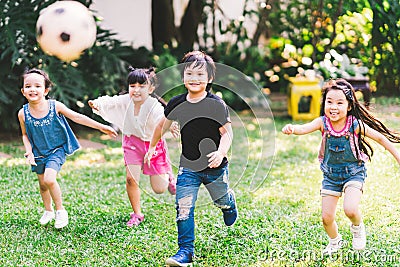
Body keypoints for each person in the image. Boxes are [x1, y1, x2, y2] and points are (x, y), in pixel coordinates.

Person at [282, 78, 400, 254]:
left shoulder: (354, 125)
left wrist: (398, 157)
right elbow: (304, 128)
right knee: (326, 218)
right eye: (329, 102)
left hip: (354, 173)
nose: (333, 107)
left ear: (349, 106)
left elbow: (381, 138)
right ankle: (335, 241)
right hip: (330, 176)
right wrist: (292, 128)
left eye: (339, 103)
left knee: (350, 209)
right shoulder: (322, 122)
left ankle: (357, 227)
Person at [144, 51, 238, 266]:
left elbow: (227, 133)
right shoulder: (177, 103)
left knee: (220, 199)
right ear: (183, 76)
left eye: (200, 74)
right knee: (183, 207)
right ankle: (185, 251)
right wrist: (151, 147)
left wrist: (221, 152)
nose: (194, 78)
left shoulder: (216, 104)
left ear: (210, 78)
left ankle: (228, 203)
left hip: (215, 167)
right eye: (189, 73)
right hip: (188, 167)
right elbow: (162, 126)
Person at [18, 68, 118, 229]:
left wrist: (101, 127)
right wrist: (29, 151)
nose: (33, 89)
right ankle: (48, 211)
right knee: (43, 184)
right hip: (38, 152)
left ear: (46, 90)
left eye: (37, 86)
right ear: (23, 91)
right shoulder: (23, 114)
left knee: (49, 179)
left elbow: (77, 117)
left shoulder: (54, 106)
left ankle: (60, 210)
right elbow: (24, 134)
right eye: (28, 86)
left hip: (56, 149)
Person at [88, 67, 177, 227]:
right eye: (132, 86)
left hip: (153, 144)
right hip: (132, 143)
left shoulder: (154, 106)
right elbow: (111, 101)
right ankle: (137, 213)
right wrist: (97, 104)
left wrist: (170, 125)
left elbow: (162, 118)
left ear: (150, 89)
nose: (136, 90)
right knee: (131, 179)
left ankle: (169, 176)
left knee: (159, 189)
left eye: (141, 86)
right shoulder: (125, 101)